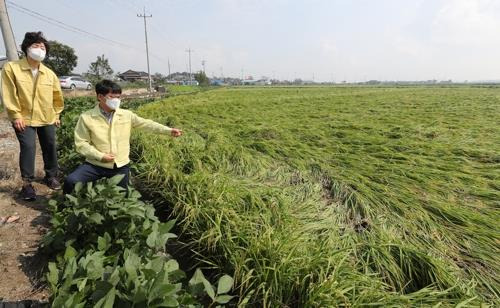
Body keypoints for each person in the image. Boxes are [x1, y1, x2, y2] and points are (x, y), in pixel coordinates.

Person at [63, 79, 182, 194]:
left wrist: (168, 130)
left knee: (122, 196)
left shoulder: (126, 115)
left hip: (120, 165)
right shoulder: (87, 117)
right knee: (71, 181)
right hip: (95, 165)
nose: (116, 100)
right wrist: (100, 156)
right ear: (100, 97)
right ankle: (67, 207)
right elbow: (81, 143)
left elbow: (147, 124)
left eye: (118, 97)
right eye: (112, 97)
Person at [1, 32, 64, 200]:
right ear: (26, 48)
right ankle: (27, 184)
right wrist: (16, 115)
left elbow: (57, 96)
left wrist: (57, 114)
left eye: (43, 47)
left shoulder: (49, 73)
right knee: (28, 147)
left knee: (50, 145)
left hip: (46, 117)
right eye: (36, 46)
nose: (39, 50)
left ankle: (50, 176)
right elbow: (9, 93)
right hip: (24, 118)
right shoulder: (12, 68)